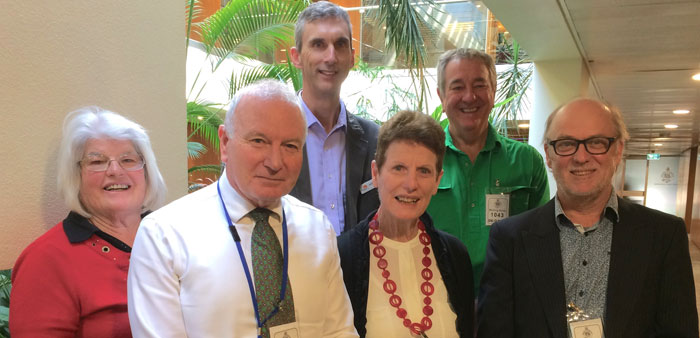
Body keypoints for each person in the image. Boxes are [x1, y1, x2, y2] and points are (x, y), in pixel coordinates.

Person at [127, 79, 357, 338]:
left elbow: (340, 331)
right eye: (259, 141)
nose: (275, 162)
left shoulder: (317, 229)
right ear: (225, 143)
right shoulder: (165, 236)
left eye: (290, 146)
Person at [477, 98, 699, 337]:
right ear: (549, 155)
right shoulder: (509, 238)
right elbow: (494, 332)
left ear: (618, 150)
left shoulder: (664, 235)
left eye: (596, 142)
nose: (581, 157)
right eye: (565, 144)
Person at [10, 106, 166, 337]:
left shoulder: (172, 235)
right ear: (76, 177)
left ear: (146, 171)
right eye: (96, 162)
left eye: (128, 159)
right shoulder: (46, 260)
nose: (115, 170)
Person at [339, 110, 474, 338]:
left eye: (423, 171)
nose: (411, 184)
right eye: (399, 168)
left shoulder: (455, 256)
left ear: (436, 181)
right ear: (376, 173)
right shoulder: (343, 257)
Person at [426, 48, 550, 291]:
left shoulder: (527, 162)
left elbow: (541, 243)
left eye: (480, 85)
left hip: (507, 304)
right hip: (434, 303)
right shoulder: (423, 161)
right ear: (441, 96)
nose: (470, 97)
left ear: (493, 91)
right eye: (457, 87)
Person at [289, 1, 380, 236]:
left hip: (358, 271)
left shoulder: (376, 140)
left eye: (340, 44)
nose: (331, 57)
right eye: (318, 44)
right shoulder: (272, 138)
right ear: (296, 57)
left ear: (351, 58)